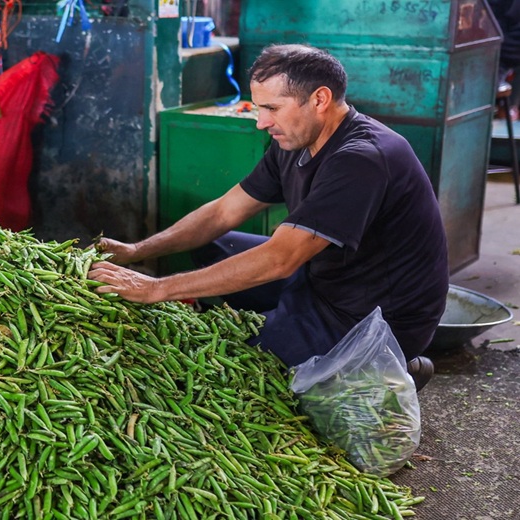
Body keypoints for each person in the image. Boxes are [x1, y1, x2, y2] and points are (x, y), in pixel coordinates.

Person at [87, 44, 447, 391]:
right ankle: (288, 328)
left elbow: (280, 258)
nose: (262, 122)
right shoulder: (294, 141)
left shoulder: (361, 158)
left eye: (272, 108)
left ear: (319, 99)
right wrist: (138, 250)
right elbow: (223, 212)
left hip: (370, 318)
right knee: (213, 245)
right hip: (324, 277)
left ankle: (393, 368)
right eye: (260, 108)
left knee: (244, 372)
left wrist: (156, 288)